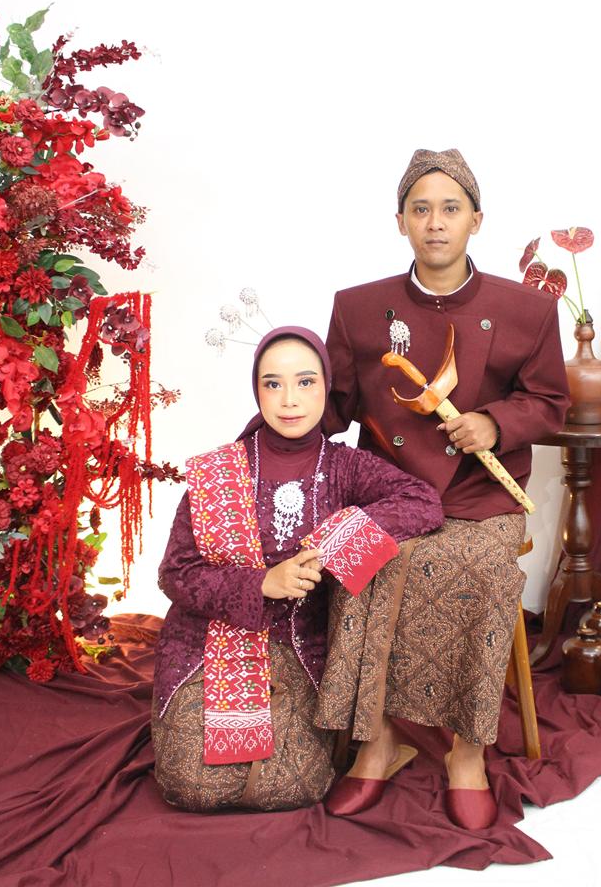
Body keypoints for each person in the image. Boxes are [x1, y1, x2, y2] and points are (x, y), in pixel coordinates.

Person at [320, 148, 569, 830]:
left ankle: (466, 751)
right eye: (421, 209)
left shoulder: (526, 310)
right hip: (387, 493)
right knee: (352, 561)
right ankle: (377, 741)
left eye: (450, 209)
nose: (435, 222)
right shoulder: (357, 307)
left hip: (479, 499)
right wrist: (285, 399)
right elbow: (335, 409)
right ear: (400, 220)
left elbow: (551, 402)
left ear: (475, 221)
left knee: (480, 570)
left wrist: (496, 422)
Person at [151, 327, 443, 812]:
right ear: (257, 390)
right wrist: (262, 583)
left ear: (327, 387)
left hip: (299, 647)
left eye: (305, 382)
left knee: (290, 787)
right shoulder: (219, 472)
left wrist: (333, 544)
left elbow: (422, 502)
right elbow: (175, 573)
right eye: (273, 383)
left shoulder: (346, 467)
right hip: (206, 643)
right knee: (194, 787)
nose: (289, 399)